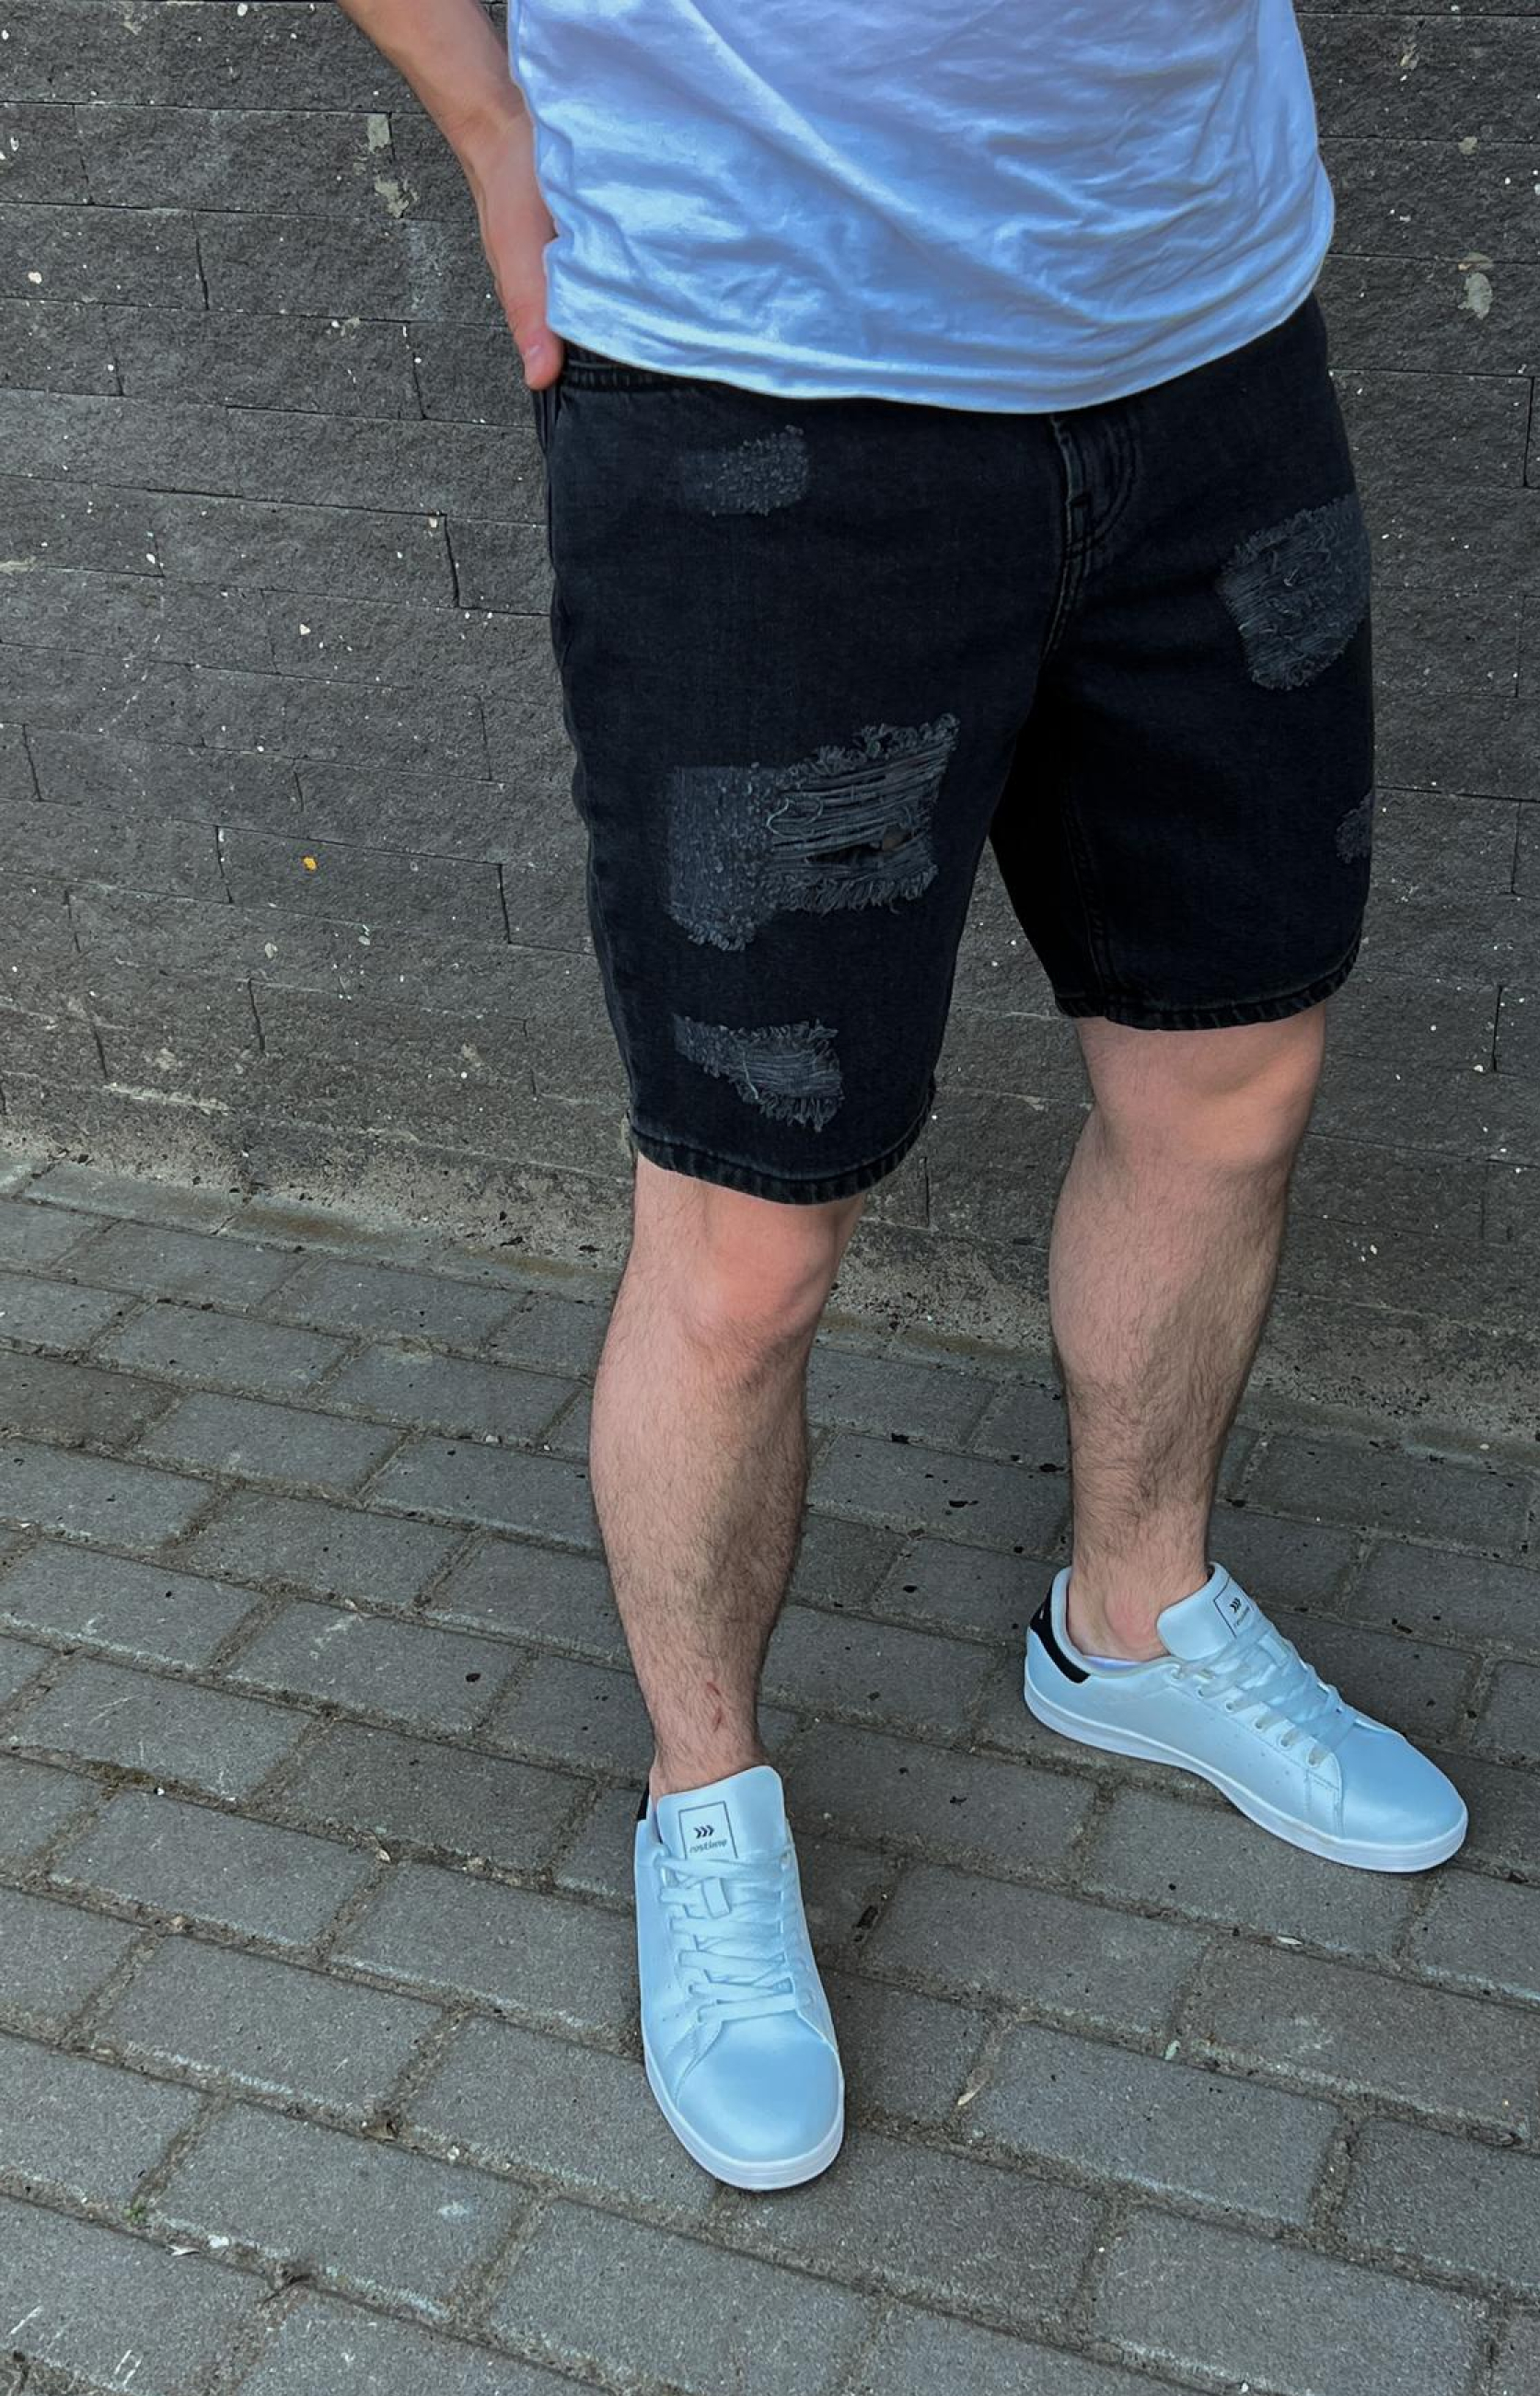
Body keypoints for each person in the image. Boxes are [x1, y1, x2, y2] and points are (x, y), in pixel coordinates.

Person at [338, 0, 1467, 2193]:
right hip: (763, 400)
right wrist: (484, 120)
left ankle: (1132, 1620)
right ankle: (702, 1794)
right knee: (747, 1238)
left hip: (1210, 356)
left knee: (1230, 1083)